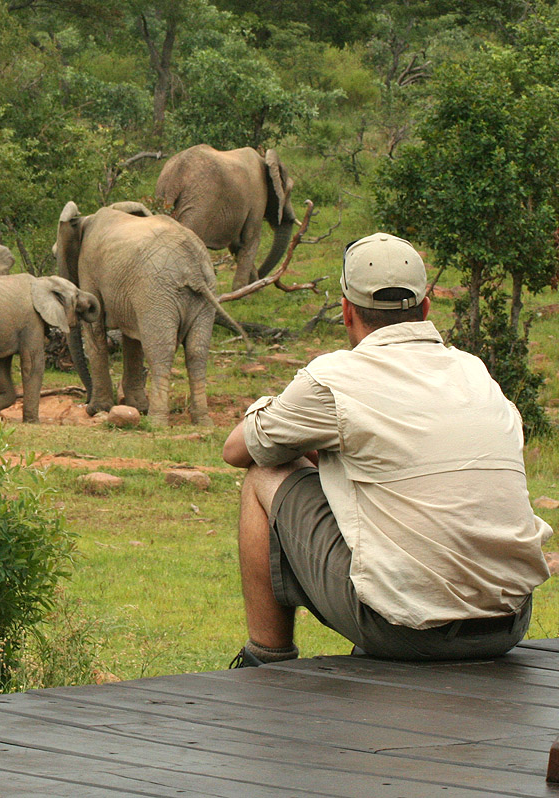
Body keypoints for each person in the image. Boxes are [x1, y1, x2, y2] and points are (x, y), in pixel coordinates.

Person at [222, 232, 552, 667]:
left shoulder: (335, 378)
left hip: (404, 633)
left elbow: (236, 450)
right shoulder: (475, 373)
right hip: (507, 624)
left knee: (264, 474)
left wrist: (278, 418)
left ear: (346, 312)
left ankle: (266, 659)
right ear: (426, 308)